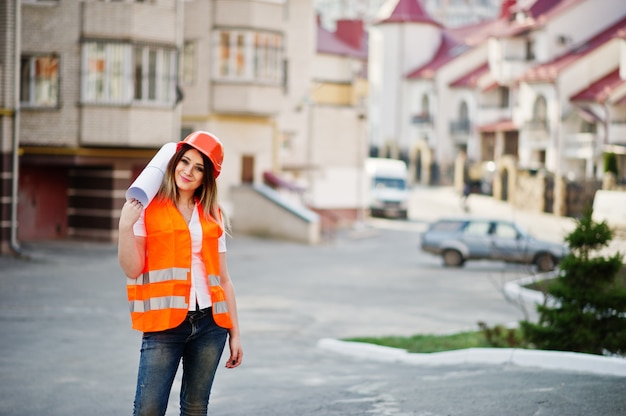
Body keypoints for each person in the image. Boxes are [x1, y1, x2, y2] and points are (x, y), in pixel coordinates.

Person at [118, 131, 243, 416]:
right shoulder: (147, 207)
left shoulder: (213, 212)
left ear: (206, 177)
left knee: (196, 408)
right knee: (148, 409)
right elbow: (132, 268)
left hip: (211, 324)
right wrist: (125, 227)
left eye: (199, 168)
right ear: (174, 162)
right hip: (163, 325)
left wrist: (235, 333)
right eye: (185, 162)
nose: (188, 171)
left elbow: (224, 278)